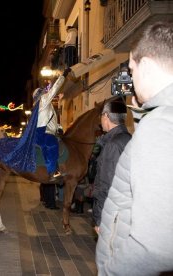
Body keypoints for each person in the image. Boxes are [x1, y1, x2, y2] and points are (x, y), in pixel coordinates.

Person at [96, 21, 173, 275]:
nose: (130, 77)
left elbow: (153, 247)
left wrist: (110, 272)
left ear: (148, 67)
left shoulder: (160, 126)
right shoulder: (158, 121)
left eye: (131, 69)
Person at [92, 100, 131, 233]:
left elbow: (105, 185)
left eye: (101, 116)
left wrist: (99, 220)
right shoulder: (129, 138)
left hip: (111, 215)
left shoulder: (113, 145)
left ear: (106, 116)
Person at [33, 82, 62, 181]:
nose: (46, 93)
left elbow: (51, 120)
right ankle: (52, 172)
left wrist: (59, 127)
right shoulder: (44, 100)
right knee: (52, 145)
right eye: (44, 92)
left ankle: (56, 167)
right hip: (43, 132)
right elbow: (54, 89)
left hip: (43, 131)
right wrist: (63, 76)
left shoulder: (44, 105)